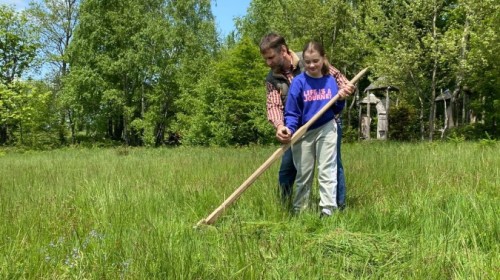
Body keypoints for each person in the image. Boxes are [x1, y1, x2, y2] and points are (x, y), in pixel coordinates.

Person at [259, 33, 354, 209]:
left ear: (283, 50)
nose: (268, 63)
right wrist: (281, 127)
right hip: (296, 127)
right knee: (288, 167)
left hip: (326, 123)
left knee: (332, 167)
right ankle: (287, 206)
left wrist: (346, 89)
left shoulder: (309, 58)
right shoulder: (272, 78)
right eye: (266, 59)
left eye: (271, 57)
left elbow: (338, 79)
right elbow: (273, 105)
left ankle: (337, 207)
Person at [282, 40, 347, 217]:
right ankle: (300, 210)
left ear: (323, 59)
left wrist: (340, 99)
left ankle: (328, 209)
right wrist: (290, 129)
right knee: (304, 173)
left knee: (327, 169)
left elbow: (336, 110)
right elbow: (292, 112)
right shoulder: (299, 82)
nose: (311, 65)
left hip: (327, 128)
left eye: (315, 61)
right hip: (304, 131)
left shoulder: (330, 81)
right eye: (308, 61)